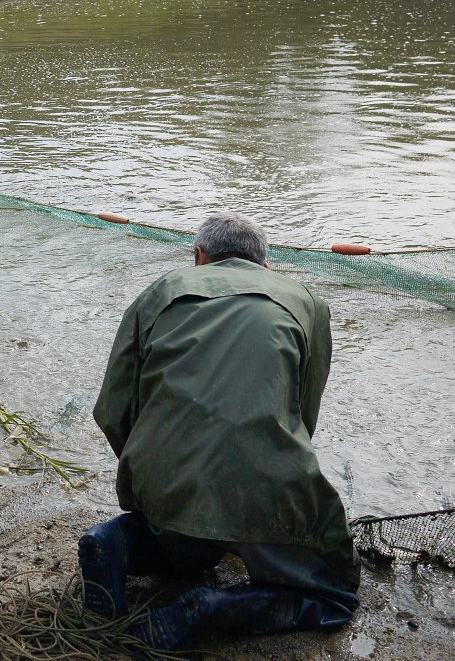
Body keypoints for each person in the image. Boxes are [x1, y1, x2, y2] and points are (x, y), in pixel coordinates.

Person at [81, 212, 360, 649]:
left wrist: (150, 476)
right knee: (336, 593)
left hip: (163, 473)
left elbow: (112, 411)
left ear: (199, 257)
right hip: (265, 478)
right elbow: (305, 415)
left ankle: (114, 538)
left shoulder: (161, 292)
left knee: (184, 544)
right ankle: (216, 607)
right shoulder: (307, 302)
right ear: (265, 265)